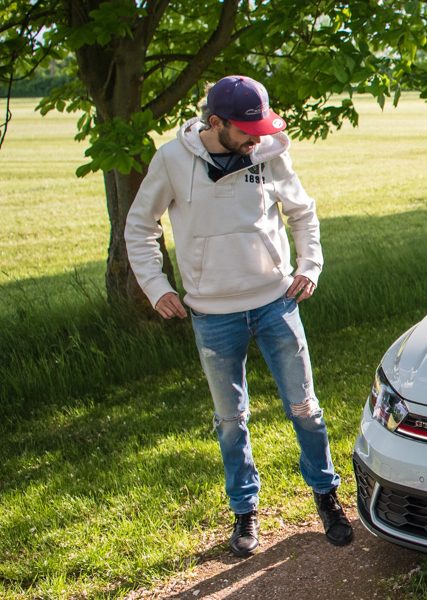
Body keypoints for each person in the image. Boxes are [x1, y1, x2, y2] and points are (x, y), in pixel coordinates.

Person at [125, 75, 351, 557]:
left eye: (261, 128)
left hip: (276, 303)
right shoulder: (171, 159)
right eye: (247, 130)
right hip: (213, 314)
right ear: (215, 123)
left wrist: (310, 266)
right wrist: (155, 286)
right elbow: (140, 225)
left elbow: (302, 212)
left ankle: (326, 497)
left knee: (306, 409)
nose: (257, 138)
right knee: (231, 420)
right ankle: (245, 511)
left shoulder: (269, 152)